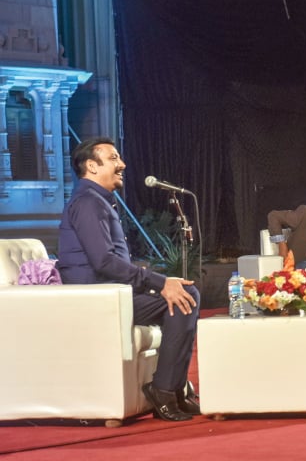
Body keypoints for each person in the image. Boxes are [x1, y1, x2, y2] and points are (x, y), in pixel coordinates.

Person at [56, 137, 201, 422]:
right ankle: (165, 389)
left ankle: (171, 388)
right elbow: (104, 262)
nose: (122, 164)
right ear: (91, 166)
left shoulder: (97, 201)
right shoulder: (88, 203)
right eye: (113, 158)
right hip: (97, 300)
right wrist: (159, 283)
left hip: (111, 294)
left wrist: (160, 282)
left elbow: (112, 264)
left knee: (185, 293)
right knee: (186, 297)